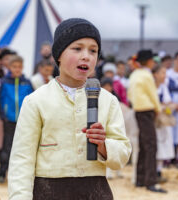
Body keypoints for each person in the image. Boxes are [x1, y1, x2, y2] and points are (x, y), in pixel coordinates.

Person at [8, 18, 131, 200]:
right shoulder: (36, 101)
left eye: (93, 50)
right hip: (48, 192)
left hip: (95, 192)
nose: (86, 56)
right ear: (58, 55)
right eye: (77, 48)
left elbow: (123, 153)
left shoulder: (108, 101)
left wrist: (103, 145)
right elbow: (22, 160)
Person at [128, 49, 166, 193]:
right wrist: (158, 109)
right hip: (147, 110)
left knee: (144, 145)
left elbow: (130, 94)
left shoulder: (134, 74)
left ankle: (140, 179)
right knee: (150, 145)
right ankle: (150, 181)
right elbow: (153, 94)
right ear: (150, 61)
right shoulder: (147, 75)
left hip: (138, 110)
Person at [0, 55, 34, 183]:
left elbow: (32, 100)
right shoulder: (4, 82)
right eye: (14, 67)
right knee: (7, 147)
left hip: (24, 120)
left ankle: (19, 175)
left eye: (19, 67)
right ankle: (1, 172)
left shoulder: (27, 82)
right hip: (9, 120)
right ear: (9, 67)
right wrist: (3, 115)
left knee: (22, 147)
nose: (17, 69)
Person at [152, 65, 175, 182]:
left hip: (162, 121)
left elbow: (168, 102)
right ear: (155, 74)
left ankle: (159, 171)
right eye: (162, 73)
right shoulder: (150, 87)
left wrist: (167, 108)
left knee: (162, 145)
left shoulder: (163, 87)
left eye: (165, 73)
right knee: (153, 145)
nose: (164, 76)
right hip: (152, 121)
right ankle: (151, 171)